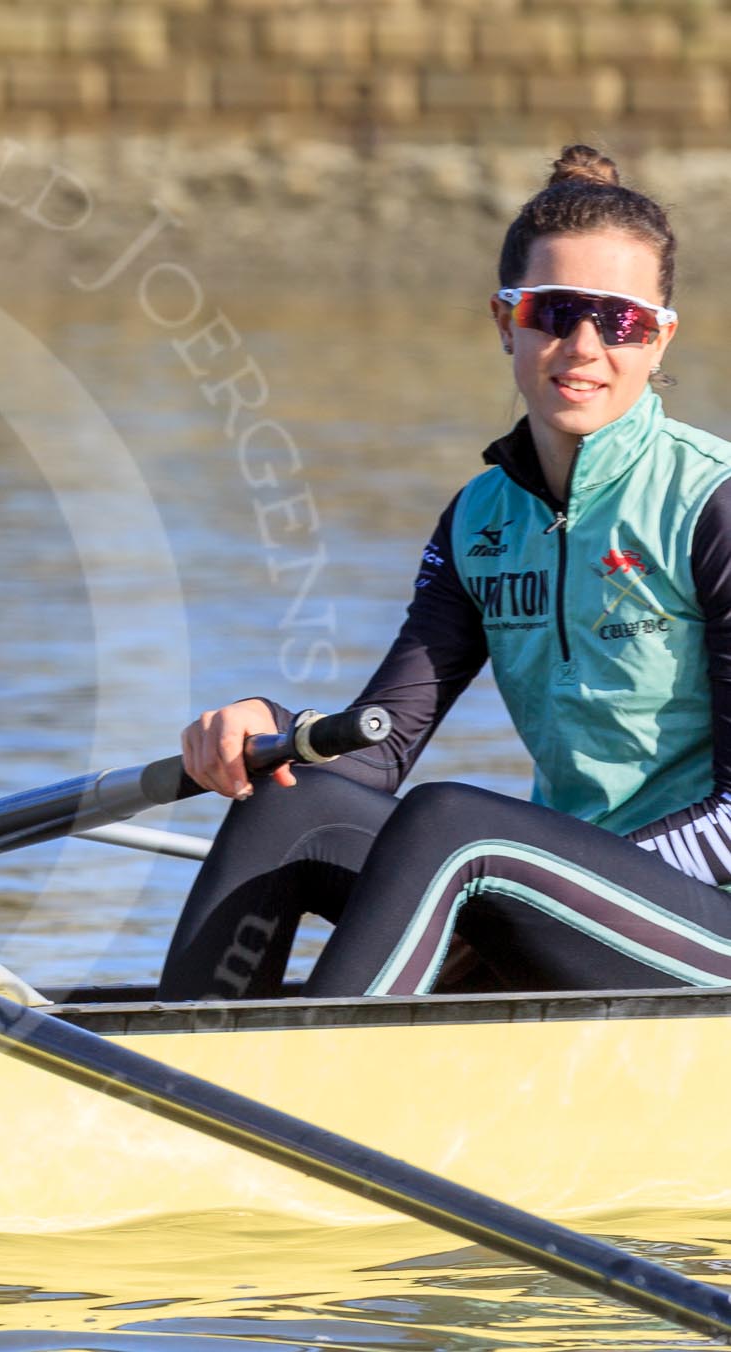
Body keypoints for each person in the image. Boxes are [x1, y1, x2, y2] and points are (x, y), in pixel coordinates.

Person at [160, 144, 731, 1002]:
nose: (583, 346)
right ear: (506, 322)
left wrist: (535, 888)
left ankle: (305, 1091)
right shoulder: (480, 519)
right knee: (287, 801)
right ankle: (179, 1075)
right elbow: (375, 747)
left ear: (658, 338)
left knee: (456, 826)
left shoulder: (711, 504)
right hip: (558, 890)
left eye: (619, 321)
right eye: (554, 311)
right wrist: (270, 726)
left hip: (704, 919)